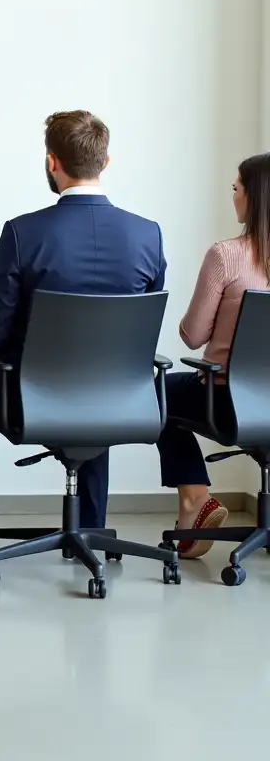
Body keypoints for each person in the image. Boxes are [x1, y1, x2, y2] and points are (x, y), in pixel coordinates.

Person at [0, 111, 167, 551]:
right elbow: (138, 335)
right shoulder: (147, 235)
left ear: (52, 162)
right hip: (118, 399)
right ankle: (91, 527)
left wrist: (17, 359)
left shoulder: (24, 233)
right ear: (106, 161)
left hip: (35, 396)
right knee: (100, 375)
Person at [156, 153, 270, 556]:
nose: (233, 196)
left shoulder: (227, 255)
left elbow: (192, 336)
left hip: (228, 402)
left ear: (253, 197)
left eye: (236, 188)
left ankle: (194, 499)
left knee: (155, 394)